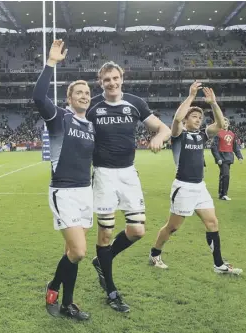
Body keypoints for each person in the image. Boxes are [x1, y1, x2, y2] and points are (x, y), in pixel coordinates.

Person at [85, 61, 171, 312]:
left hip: (128, 175)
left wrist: (158, 137)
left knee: (137, 231)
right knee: (106, 234)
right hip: (103, 175)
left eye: (115, 78)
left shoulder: (135, 103)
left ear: (122, 78)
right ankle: (111, 291)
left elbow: (163, 128)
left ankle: (103, 260)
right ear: (100, 82)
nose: (111, 83)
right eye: (106, 80)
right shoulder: (93, 106)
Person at [149, 81, 242, 275]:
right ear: (186, 119)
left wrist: (214, 103)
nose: (199, 119)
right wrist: (191, 97)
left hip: (200, 187)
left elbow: (220, 124)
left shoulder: (202, 135)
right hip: (183, 187)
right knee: (172, 227)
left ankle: (218, 264)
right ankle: (154, 253)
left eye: (200, 117)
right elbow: (176, 120)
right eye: (194, 116)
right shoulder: (178, 135)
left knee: (212, 223)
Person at [33, 40, 94, 321]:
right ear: (69, 98)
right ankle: (53, 286)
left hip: (85, 192)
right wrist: (51, 63)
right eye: (78, 93)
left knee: (71, 250)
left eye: (87, 93)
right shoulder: (59, 118)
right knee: (79, 251)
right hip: (64, 192)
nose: (84, 96)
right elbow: (38, 97)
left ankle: (68, 303)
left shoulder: (91, 126)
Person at [211, 117, 243, 200]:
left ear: (228, 124)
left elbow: (235, 147)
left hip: (229, 157)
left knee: (223, 175)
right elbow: (213, 147)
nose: (225, 124)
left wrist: (239, 156)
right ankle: (224, 194)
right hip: (221, 158)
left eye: (226, 123)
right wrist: (218, 158)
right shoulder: (218, 134)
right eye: (223, 123)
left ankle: (221, 194)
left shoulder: (232, 134)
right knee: (226, 175)